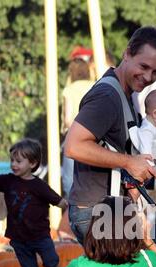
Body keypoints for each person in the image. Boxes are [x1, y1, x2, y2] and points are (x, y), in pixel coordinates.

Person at [64, 25, 156, 244]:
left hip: (110, 210)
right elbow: (74, 145)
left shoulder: (127, 92)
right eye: (144, 66)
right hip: (95, 213)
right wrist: (129, 162)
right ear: (127, 52)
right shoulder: (107, 96)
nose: (148, 76)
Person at [0, 138, 67, 267]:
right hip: (19, 237)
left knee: (51, 261)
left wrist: (67, 206)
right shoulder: (8, 181)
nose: (14, 164)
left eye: (19, 161)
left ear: (32, 163)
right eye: (12, 160)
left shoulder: (39, 186)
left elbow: (58, 201)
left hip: (40, 235)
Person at [61, 58, 95, 197]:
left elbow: (69, 119)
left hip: (74, 138)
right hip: (94, 137)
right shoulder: (95, 85)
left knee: (70, 181)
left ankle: (72, 211)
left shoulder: (69, 89)